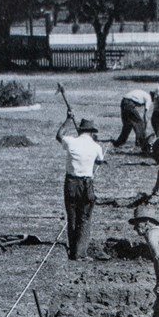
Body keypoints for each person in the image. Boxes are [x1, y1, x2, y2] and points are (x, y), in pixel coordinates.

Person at [56, 111, 104, 261]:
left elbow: (59, 135)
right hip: (86, 184)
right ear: (92, 132)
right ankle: (80, 253)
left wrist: (68, 120)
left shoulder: (71, 141)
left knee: (72, 217)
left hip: (71, 182)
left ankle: (72, 250)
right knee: (84, 217)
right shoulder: (96, 147)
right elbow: (100, 161)